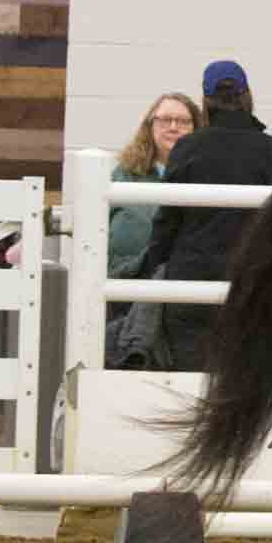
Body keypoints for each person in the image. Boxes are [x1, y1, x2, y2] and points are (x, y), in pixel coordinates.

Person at [139, 59, 272, 372]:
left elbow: (166, 225)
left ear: (206, 102)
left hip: (191, 291)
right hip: (254, 291)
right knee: (247, 384)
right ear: (247, 97)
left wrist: (149, 275)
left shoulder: (188, 149)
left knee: (190, 387)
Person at [105, 91, 203, 369]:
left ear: (196, 128)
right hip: (122, 284)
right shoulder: (124, 174)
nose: (173, 127)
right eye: (165, 120)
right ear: (150, 126)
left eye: (183, 121)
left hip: (180, 290)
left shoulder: (203, 174)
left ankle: (136, 351)